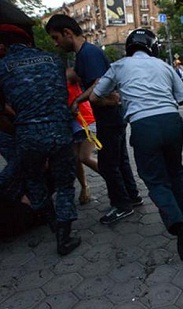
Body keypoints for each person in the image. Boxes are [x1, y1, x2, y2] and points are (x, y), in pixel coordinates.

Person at [89, 29, 183, 261]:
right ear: (153, 46)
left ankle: (178, 224)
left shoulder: (119, 66)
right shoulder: (165, 67)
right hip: (172, 122)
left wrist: (116, 99)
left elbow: (95, 96)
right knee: (175, 172)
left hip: (143, 126)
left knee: (155, 178)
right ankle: (181, 216)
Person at [46, 14, 143, 225]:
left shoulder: (88, 54)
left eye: (56, 38)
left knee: (109, 164)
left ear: (67, 33)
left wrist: (77, 101)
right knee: (119, 160)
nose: (55, 43)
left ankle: (122, 205)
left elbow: (99, 84)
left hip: (109, 116)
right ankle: (132, 197)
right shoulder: (83, 55)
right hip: (111, 116)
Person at [0, 24, 80, 255]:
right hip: (60, 130)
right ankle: (64, 237)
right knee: (65, 184)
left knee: (34, 180)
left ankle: (53, 223)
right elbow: (61, 94)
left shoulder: (3, 67)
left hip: (28, 134)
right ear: (28, 42)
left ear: (5, 45)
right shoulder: (54, 61)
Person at [66, 67, 99, 205]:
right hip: (72, 125)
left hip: (87, 120)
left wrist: (77, 101)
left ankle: (115, 181)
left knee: (84, 157)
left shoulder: (66, 75)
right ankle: (85, 187)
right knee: (75, 159)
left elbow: (94, 80)